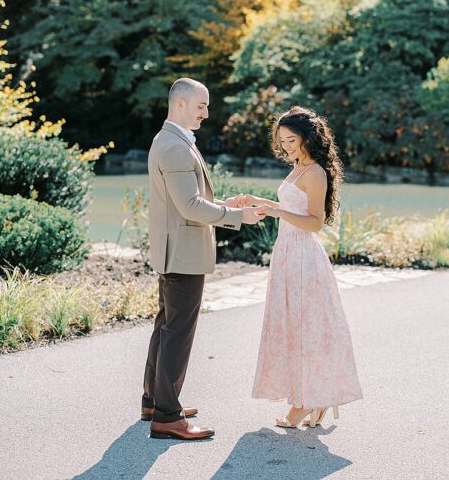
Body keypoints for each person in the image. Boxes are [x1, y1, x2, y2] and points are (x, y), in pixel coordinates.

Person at [144, 78, 265, 440]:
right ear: (180, 104)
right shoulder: (176, 147)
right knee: (178, 333)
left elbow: (186, 202)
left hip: (174, 251)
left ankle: (154, 400)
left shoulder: (168, 140)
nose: (206, 113)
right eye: (201, 105)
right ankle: (166, 416)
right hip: (183, 255)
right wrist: (236, 218)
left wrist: (225, 205)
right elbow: (190, 206)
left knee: (166, 327)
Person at [243, 106, 363, 427]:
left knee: (306, 330)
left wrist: (277, 213)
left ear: (307, 137)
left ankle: (307, 402)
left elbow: (314, 223)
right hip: (286, 254)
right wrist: (257, 202)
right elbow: (286, 207)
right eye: (282, 140)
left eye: (291, 139)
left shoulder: (315, 173)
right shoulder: (298, 167)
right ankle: (310, 398)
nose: (286, 146)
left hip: (303, 259)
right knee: (291, 328)